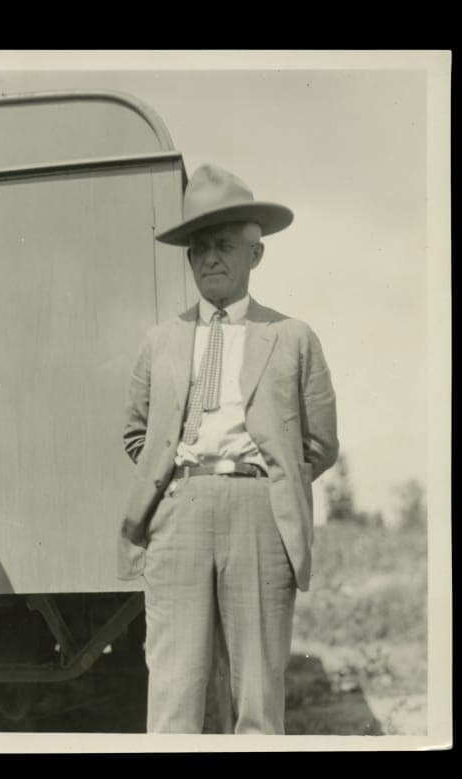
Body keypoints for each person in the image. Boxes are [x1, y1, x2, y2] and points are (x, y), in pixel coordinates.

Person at [119, 164, 338, 734]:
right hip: (179, 514)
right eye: (198, 249)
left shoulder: (291, 338)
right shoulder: (160, 341)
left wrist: (271, 483)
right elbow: (136, 433)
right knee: (173, 690)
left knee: (258, 693)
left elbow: (319, 441)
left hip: (258, 514)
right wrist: (172, 490)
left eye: (223, 245)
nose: (210, 259)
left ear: (254, 254)